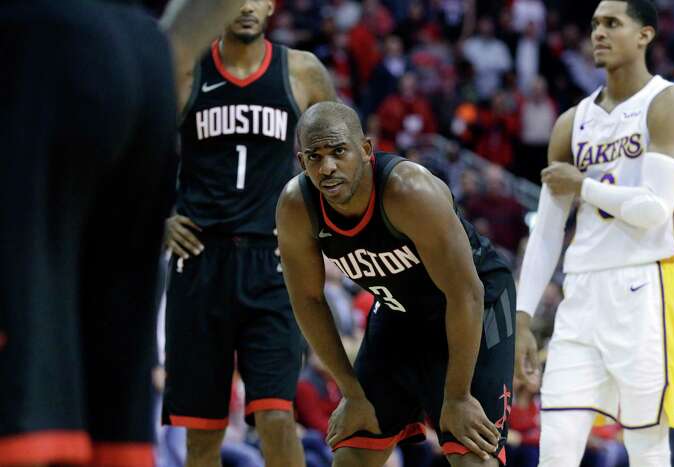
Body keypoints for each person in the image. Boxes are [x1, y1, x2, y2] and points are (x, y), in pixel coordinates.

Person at [0, 0, 250, 465]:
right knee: (104, 435)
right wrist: (168, 52)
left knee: (23, 425)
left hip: (30, 48)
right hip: (141, 55)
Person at [276, 101, 515, 466]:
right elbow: (308, 300)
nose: (327, 167)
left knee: (472, 455)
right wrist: (351, 391)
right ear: (301, 160)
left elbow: (465, 293)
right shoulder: (297, 206)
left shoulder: (410, 191)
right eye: (315, 157)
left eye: (338, 151)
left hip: (475, 309)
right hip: (399, 315)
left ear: (366, 149)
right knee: (352, 454)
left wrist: (457, 397)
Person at [515, 1, 674, 466]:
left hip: (647, 288)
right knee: (554, 448)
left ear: (645, 35)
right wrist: (520, 316)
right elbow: (546, 233)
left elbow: (654, 211)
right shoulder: (570, 123)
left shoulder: (671, 105)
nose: (598, 32)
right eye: (595, 23)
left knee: (646, 446)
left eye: (612, 23)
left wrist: (584, 185)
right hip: (580, 293)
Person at [160, 1, 337, 466]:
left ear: (271, 4)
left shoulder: (302, 71)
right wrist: (159, 215)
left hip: (273, 264)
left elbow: (340, 153)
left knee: (277, 416)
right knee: (201, 434)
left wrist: (328, 229)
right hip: (200, 261)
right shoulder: (188, 69)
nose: (244, 6)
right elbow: (135, 141)